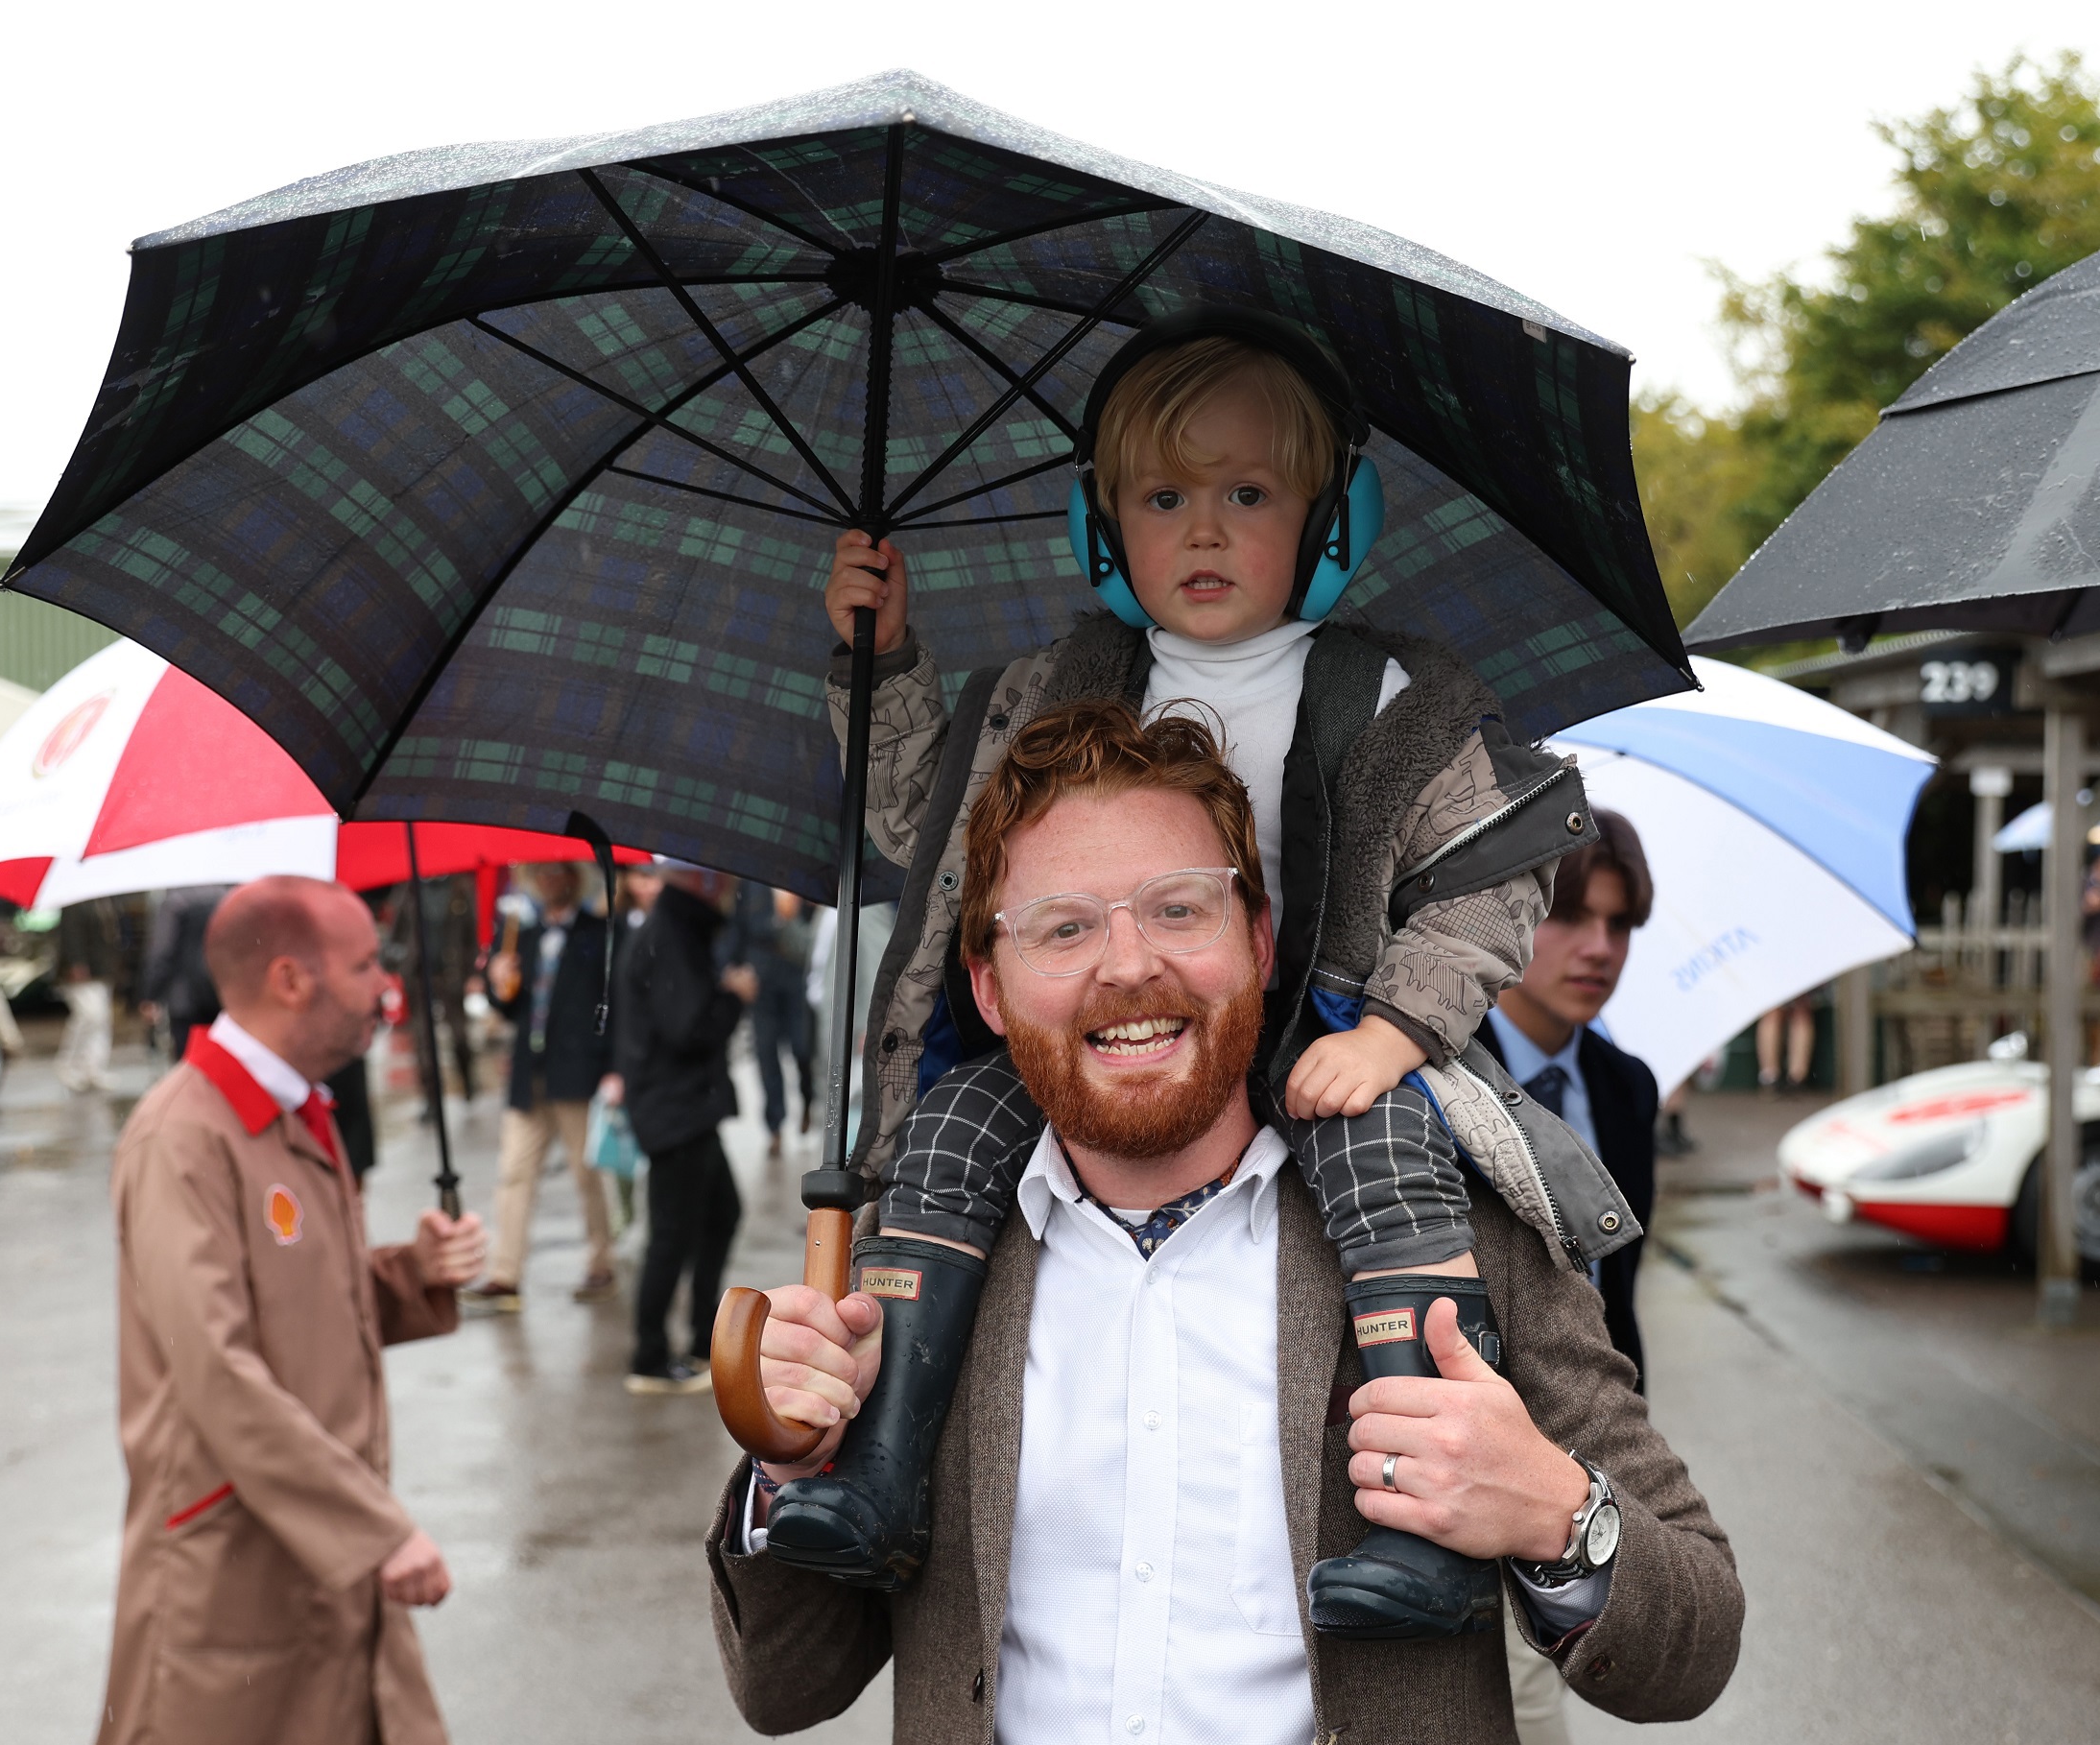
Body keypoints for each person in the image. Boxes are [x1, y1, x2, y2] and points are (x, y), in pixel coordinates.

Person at [710, 722, 1741, 1745]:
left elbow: (1698, 1640)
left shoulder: (1455, 1235)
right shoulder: (909, 1271)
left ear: (1257, 939)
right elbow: (785, 1688)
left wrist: (1556, 1512)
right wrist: (789, 1468)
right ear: (989, 986)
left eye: (1178, 906)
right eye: (1061, 927)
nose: (1129, 962)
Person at [790, 307, 1611, 1636]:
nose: (1207, 530)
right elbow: (922, 835)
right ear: (1100, 528)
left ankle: (1427, 1530)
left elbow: (1488, 873)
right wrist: (877, 661)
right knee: (945, 1137)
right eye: (1164, 497)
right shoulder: (1046, 692)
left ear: (1331, 518)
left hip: (1331, 1033)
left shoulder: (1399, 693)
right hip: (1112, 1053)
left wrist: (1399, 1029)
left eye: (1248, 492)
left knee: (1386, 1160)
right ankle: (880, 1475)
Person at [87, 875, 488, 1745]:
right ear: (290, 979)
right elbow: (217, 1371)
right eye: (364, 966)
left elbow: (310, 1305)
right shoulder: (181, 1138)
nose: (387, 989)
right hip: (238, 1568)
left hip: (324, 1557)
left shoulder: (298, 1109)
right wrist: (375, 1529)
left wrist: (412, 1274)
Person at [1472, 809, 1661, 1745]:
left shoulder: (1626, 1089)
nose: (1597, 947)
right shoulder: (1433, 1080)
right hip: (1462, 1460)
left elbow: (1619, 1307)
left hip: (1582, 1476)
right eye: (1569, 914)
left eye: (1621, 922)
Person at [609, 862, 757, 1394]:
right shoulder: (671, 933)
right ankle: (649, 1357)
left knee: (720, 1214)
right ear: (705, 881)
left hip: (684, 1106)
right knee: (671, 1234)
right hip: (675, 1108)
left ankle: (701, 1340)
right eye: (729, 881)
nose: (733, 891)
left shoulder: (675, 929)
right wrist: (733, 997)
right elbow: (688, 1027)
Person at [469, 862, 618, 1309]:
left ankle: (601, 1262)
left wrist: (611, 1068)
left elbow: (613, 1007)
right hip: (529, 1076)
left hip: (577, 1076)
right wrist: (499, 985)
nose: (549, 879)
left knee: (586, 1173)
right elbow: (508, 1006)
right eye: (542, 873)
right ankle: (504, 1274)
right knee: (514, 1172)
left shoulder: (599, 933)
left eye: (557, 872)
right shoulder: (520, 933)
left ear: (574, 878)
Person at [730, 883, 818, 1157]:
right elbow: (739, 929)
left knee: (802, 1048)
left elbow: (816, 929)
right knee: (766, 1054)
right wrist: (733, 967)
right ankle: (775, 1126)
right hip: (762, 980)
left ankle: (807, 1100)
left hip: (795, 977)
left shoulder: (801, 878)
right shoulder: (750, 885)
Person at [140, 883, 227, 1057]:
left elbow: (162, 953)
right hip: (223, 992)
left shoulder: (175, 902)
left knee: (190, 1060)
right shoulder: (227, 897)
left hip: (185, 997)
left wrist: (150, 995)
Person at [55, 896, 124, 1095]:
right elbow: (70, 933)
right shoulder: (75, 900)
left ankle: (93, 1068)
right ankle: (67, 1063)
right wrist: (77, 962)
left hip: (102, 968)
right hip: (82, 971)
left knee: (102, 1019)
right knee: (89, 1016)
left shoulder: (105, 898)